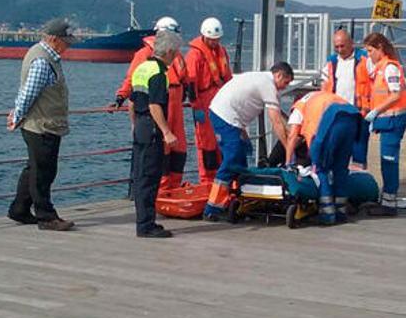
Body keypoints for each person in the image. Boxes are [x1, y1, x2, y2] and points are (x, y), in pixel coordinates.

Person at [6, 18, 78, 231]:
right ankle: (46, 216)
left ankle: (19, 209)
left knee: (35, 168)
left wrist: (18, 115)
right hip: (42, 124)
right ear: (54, 39)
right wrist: (17, 115)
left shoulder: (45, 55)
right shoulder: (42, 61)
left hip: (42, 123)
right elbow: (28, 93)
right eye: (66, 42)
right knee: (44, 171)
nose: (68, 46)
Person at [203, 62, 294, 220]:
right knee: (232, 160)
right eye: (285, 82)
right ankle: (213, 208)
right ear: (278, 75)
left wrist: (243, 133)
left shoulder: (259, 79)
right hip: (226, 117)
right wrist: (289, 148)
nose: (285, 87)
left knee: (241, 159)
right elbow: (276, 121)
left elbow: (278, 116)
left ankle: (243, 200)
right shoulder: (268, 85)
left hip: (230, 118)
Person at [112, 17, 189, 190]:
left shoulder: (177, 55)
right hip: (161, 102)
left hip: (175, 103)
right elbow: (133, 79)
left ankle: (173, 188)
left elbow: (185, 76)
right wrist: (121, 96)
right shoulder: (145, 55)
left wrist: (189, 89)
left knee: (179, 149)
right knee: (162, 151)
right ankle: (159, 190)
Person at [128, 31, 183, 238]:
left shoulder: (142, 68)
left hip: (141, 127)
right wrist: (167, 132)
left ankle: (143, 221)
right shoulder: (160, 74)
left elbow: (132, 102)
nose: (177, 55)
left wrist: (134, 125)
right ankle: (146, 225)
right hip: (151, 129)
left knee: (140, 176)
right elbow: (155, 105)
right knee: (150, 178)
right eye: (176, 52)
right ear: (169, 51)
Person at [285, 91, 361, 224]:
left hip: (332, 120)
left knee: (320, 167)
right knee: (340, 168)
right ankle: (340, 211)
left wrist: (288, 163)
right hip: (353, 117)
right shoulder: (319, 96)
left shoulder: (299, 107)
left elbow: (292, 137)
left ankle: (327, 214)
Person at [362, 33, 406, 203]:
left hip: (393, 119)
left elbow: (395, 95)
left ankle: (389, 200)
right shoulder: (381, 68)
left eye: (370, 51)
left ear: (380, 48)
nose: (369, 55)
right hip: (388, 119)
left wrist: (375, 111)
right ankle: (387, 197)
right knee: (388, 159)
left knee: (389, 160)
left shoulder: (389, 68)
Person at [185, 17, 233, 184]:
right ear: (204, 36)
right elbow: (191, 83)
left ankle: (222, 177)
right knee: (206, 142)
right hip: (203, 101)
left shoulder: (222, 52)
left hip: (220, 99)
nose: (215, 43)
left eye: (217, 40)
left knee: (222, 139)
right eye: (212, 40)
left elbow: (228, 77)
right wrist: (195, 106)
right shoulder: (195, 55)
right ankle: (207, 180)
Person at [321, 29, 372, 169]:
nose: (339, 50)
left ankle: (358, 176)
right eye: (336, 46)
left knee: (359, 148)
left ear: (351, 43)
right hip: (337, 112)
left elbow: (375, 81)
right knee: (336, 146)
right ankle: (337, 176)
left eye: (342, 46)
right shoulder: (331, 62)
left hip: (360, 111)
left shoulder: (364, 59)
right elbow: (324, 85)